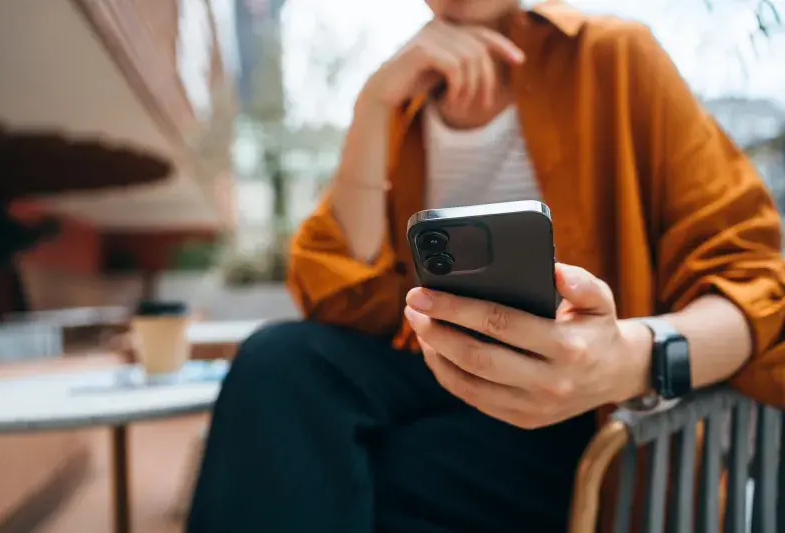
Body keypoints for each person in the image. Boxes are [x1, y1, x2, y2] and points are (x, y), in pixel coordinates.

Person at [187, 1, 785, 532]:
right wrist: (375, 103)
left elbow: (760, 285)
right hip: (436, 383)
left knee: (332, 469)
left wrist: (630, 359)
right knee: (278, 362)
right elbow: (338, 302)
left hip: (587, 417)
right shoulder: (406, 101)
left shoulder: (613, 58)